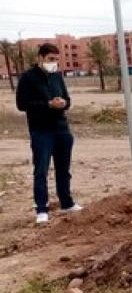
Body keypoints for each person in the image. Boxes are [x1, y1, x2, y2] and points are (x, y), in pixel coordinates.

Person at [15, 43, 82, 225]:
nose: (54, 63)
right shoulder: (28, 78)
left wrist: (63, 103)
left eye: (56, 60)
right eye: (51, 60)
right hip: (41, 131)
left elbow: (67, 99)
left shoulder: (57, 77)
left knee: (63, 170)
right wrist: (47, 104)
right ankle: (42, 209)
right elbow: (21, 104)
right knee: (41, 171)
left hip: (61, 129)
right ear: (40, 58)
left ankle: (66, 203)